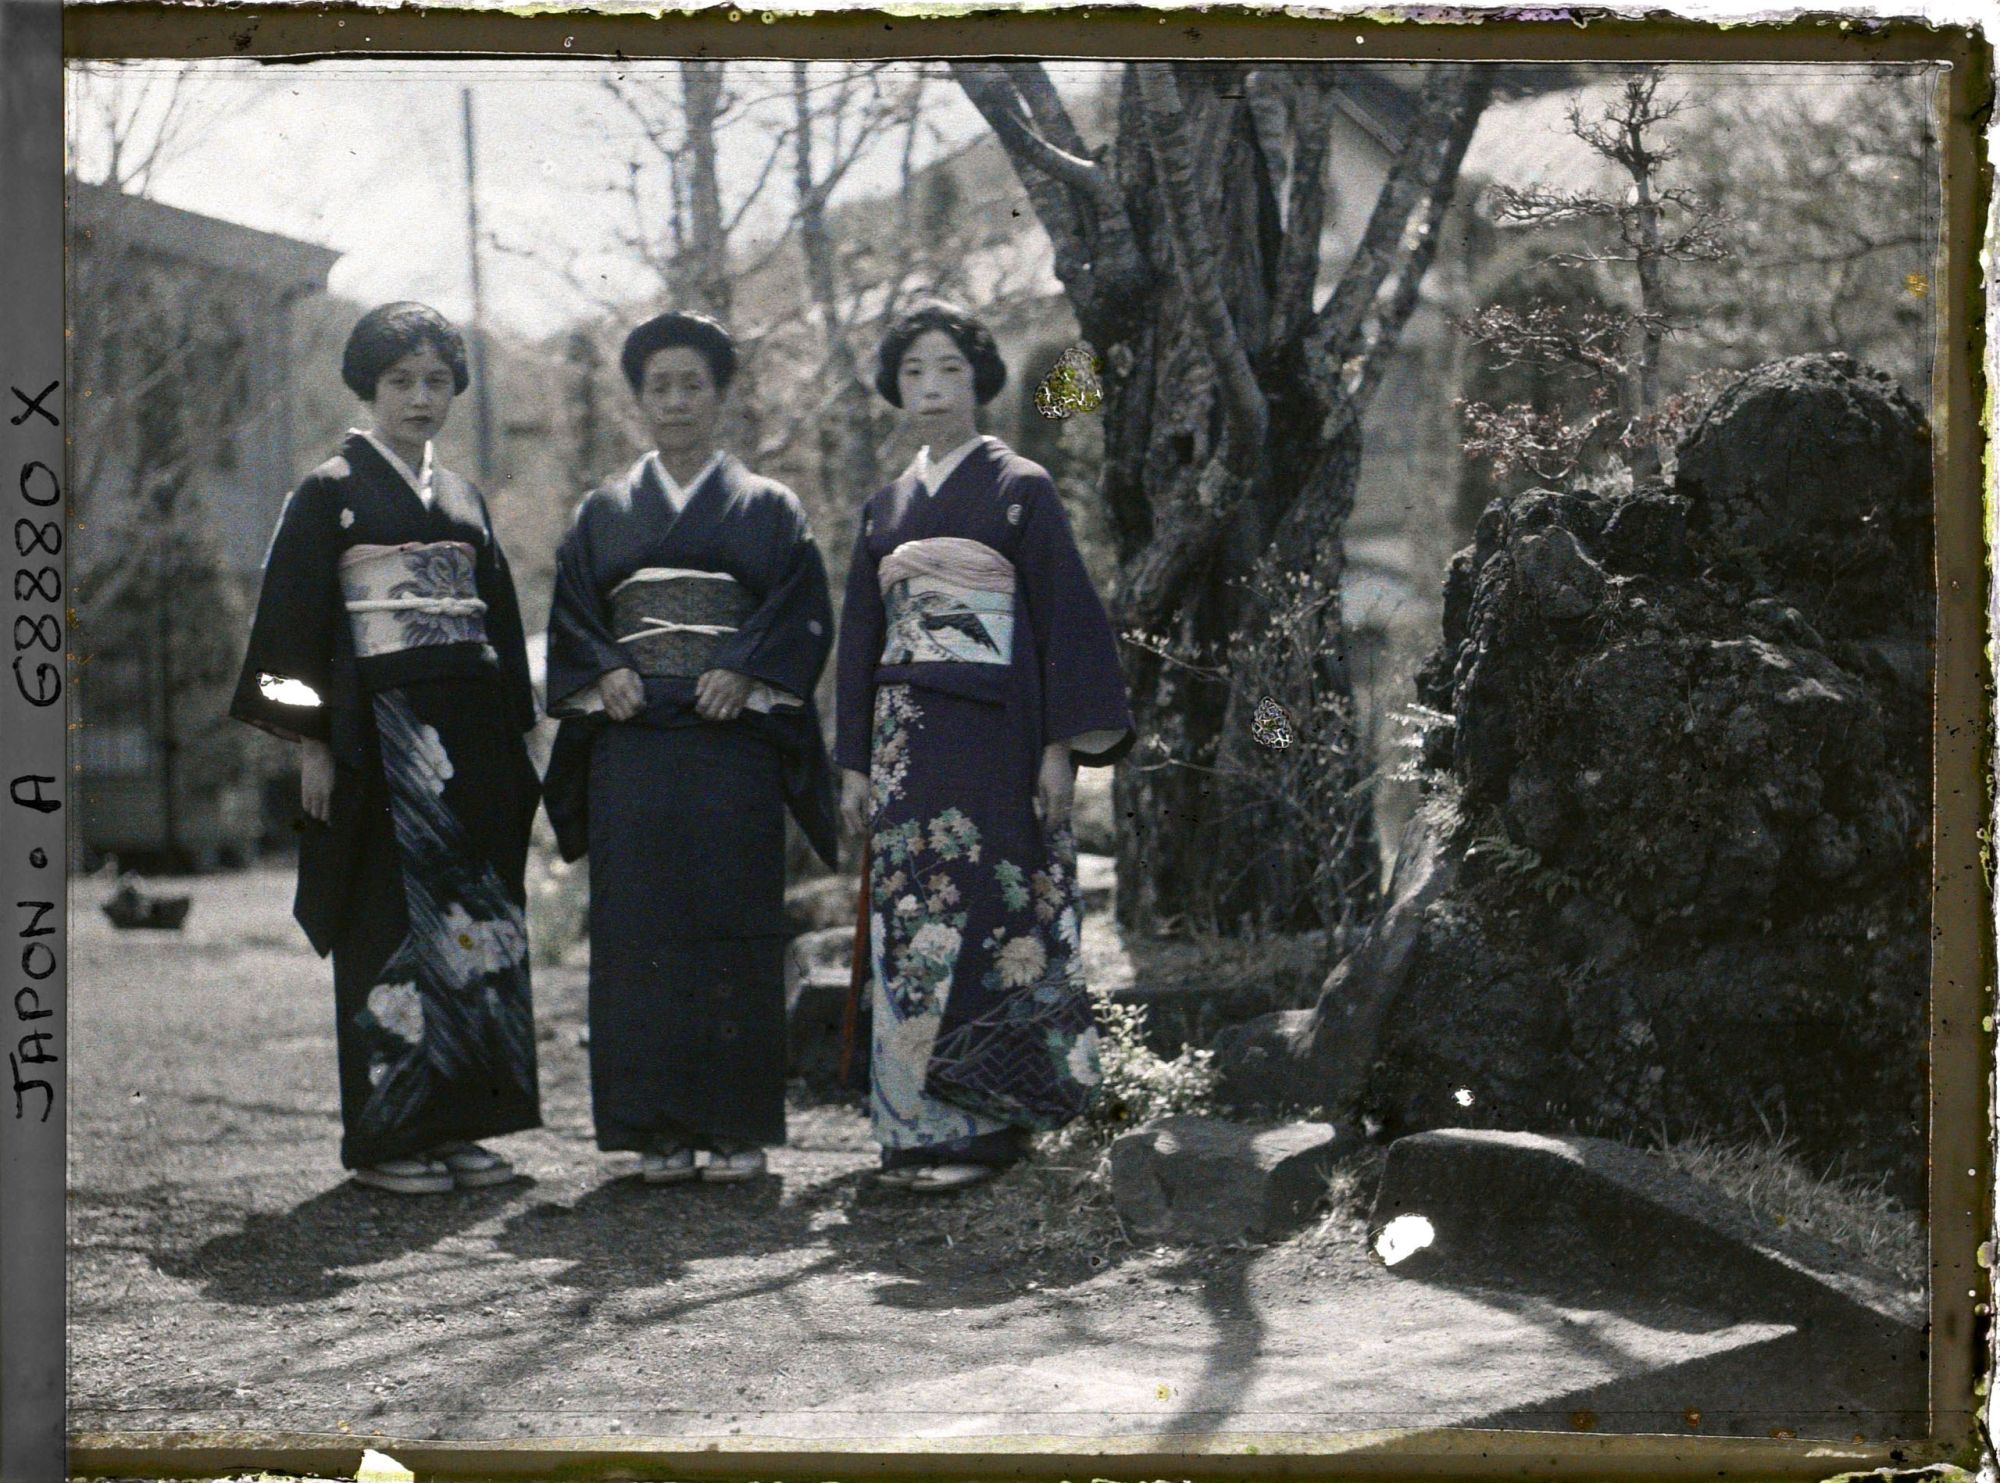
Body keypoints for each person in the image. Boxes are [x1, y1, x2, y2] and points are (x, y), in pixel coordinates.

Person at [229, 302, 542, 1195]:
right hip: (376, 734)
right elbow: (288, 629)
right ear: (368, 387)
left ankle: (467, 1126)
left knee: (476, 920)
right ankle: (390, 1135)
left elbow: (499, 623)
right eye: (401, 380)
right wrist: (313, 742)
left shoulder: (466, 497)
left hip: (470, 736)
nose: (420, 397)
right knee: (388, 925)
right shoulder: (327, 491)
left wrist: (515, 735)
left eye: (437, 380)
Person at [834, 300, 1134, 1195]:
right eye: (913, 371)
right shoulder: (884, 507)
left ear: (979, 381)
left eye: (949, 369)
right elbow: (860, 638)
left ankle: (987, 1125)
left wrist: (1059, 748)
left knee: (992, 912)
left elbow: (1062, 621)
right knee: (909, 921)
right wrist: (853, 761)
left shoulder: (1021, 487)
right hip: (905, 742)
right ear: (895, 387)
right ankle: (910, 1130)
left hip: (997, 733)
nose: (930, 387)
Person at [543, 310, 837, 1186]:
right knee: (637, 925)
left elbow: (801, 610)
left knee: (733, 921)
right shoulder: (603, 511)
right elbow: (572, 614)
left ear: (721, 395)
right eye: (659, 386)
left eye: (692, 384)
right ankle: (656, 1130)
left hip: (731, 739)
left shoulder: (769, 507)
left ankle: (736, 1125)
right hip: (631, 738)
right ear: (639, 400)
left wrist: (744, 668)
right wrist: (605, 668)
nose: (676, 400)